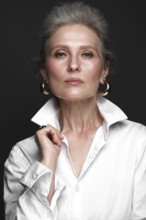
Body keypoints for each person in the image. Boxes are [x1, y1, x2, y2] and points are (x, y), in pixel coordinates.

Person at [3, 1, 146, 220]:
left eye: (86, 54)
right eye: (61, 54)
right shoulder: (22, 155)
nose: (73, 65)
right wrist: (47, 163)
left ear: (104, 70)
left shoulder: (139, 143)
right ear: (44, 71)